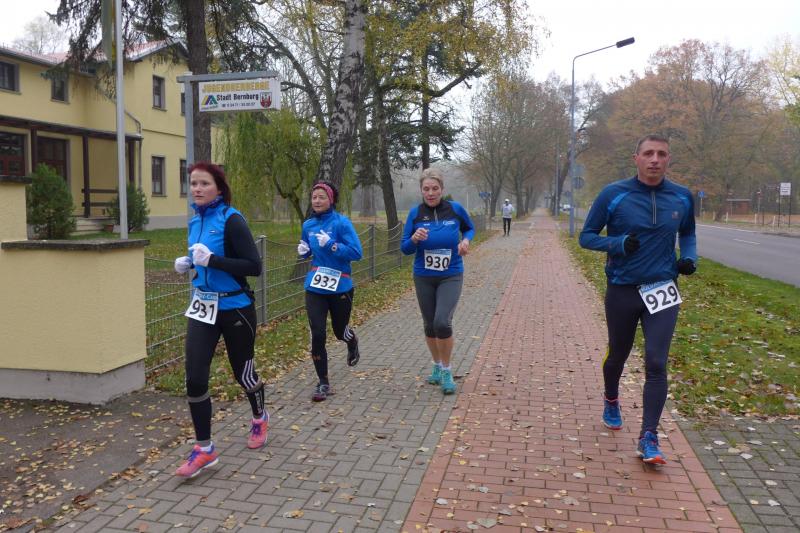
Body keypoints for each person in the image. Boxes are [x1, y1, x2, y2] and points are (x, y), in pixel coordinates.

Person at [579, 134, 697, 465]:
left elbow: (688, 233)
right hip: (623, 289)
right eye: (648, 153)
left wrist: (689, 258)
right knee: (618, 353)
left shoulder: (682, 196)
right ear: (637, 158)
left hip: (662, 289)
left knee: (657, 362)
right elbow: (586, 237)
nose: (655, 159)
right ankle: (611, 398)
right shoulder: (613, 194)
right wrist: (616, 244)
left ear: (668, 159)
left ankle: (649, 437)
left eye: (661, 154)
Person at [172, 161, 268, 478]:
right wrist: (190, 265)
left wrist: (212, 260)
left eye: (204, 183)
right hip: (203, 307)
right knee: (195, 377)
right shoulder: (194, 221)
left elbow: (253, 266)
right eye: (193, 184)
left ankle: (260, 417)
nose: (197, 189)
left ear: (218, 188)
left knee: (244, 373)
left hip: (235, 307)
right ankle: (204, 449)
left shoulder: (232, 220)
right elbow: (202, 260)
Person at [401, 168, 476, 395]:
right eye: (426, 189)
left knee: (442, 322)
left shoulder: (455, 209)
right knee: (429, 324)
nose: (431, 193)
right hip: (423, 276)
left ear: (442, 189)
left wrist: (466, 241)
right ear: (421, 190)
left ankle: (446, 370)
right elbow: (405, 248)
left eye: (435, 188)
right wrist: (414, 239)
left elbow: (469, 228)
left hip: (450, 274)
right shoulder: (415, 214)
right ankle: (436, 364)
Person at [297, 181, 363, 402]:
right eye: (314, 197)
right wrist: (304, 251)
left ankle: (351, 341)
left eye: (321, 197)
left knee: (339, 331)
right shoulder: (308, 225)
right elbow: (309, 250)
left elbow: (357, 253)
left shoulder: (342, 223)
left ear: (331, 200)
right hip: (315, 285)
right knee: (317, 334)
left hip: (340, 285)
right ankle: (323, 382)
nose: (317, 201)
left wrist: (332, 245)